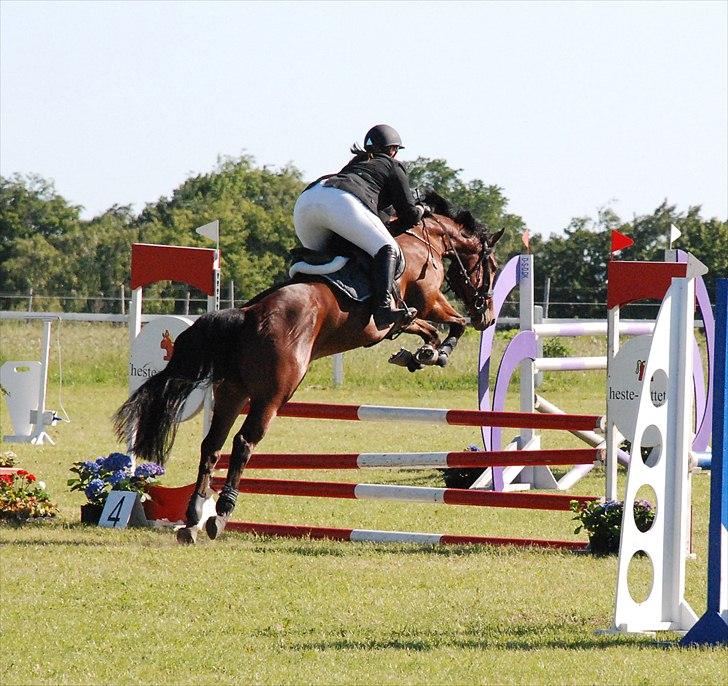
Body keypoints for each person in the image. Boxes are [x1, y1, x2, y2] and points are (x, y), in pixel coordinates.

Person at [293, 124, 430, 330]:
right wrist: (422, 208)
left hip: (306, 202)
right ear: (393, 150)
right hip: (339, 201)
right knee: (387, 249)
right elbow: (409, 214)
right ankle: (383, 309)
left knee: (328, 262)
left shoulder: (356, 164)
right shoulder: (392, 165)